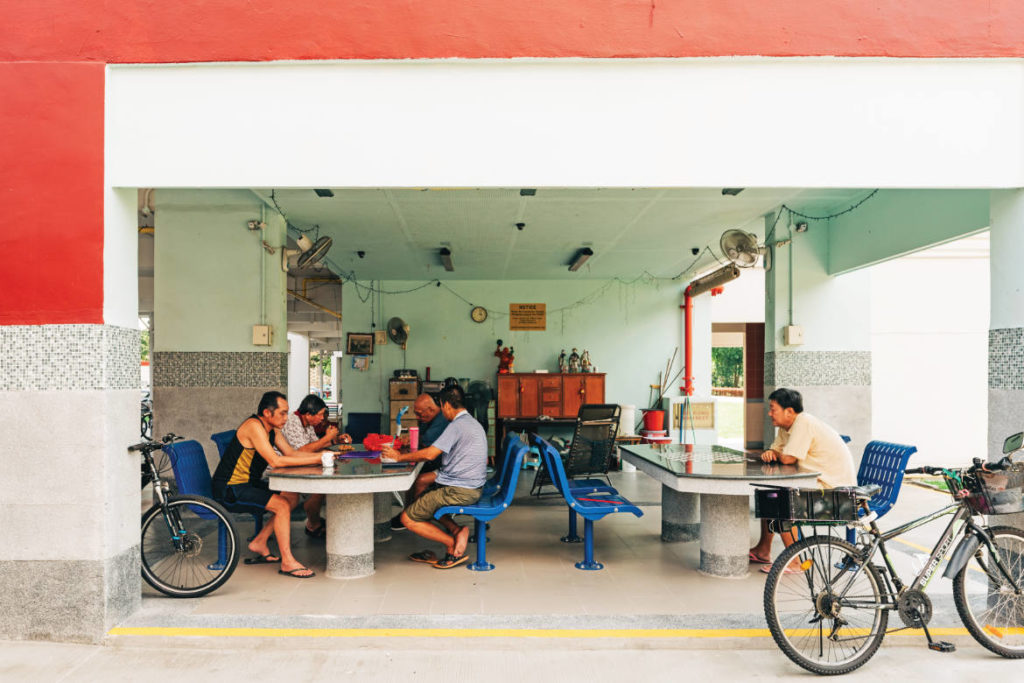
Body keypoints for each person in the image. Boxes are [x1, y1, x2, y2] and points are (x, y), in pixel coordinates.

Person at [212, 391, 327, 579]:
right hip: (230, 489)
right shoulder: (254, 427)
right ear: (267, 413)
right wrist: (320, 458)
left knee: (290, 495)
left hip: (248, 485)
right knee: (281, 505)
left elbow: (290, 453)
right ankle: (288, 561)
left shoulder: (272, 429)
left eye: (287, 412)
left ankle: (260, 541)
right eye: (282, 413)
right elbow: (276, 461)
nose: (286, 417)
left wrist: (321, 457)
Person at [749, 388, 857, 571]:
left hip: (836, 493)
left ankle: (795, 561)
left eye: (773, 409)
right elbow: (777, 451)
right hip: (819, 484)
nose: (769, 413)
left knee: (782, 501)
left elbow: (788, 458)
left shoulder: (803, 422)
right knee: (769, 494)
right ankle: (763, 550)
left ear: (789, 411)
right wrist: (773, 452)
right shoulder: (786, 427)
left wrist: (778, 454)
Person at [382, 387, 487, 569]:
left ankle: (450, 544)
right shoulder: (471, 422)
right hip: (470, 486)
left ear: (445, 405)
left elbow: (430, 454)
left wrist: (398, 457)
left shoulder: (456, 426)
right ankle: (457, 530)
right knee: (422, 499)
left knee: (408, 519)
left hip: (460, 490)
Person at [280, 393, 352, 539]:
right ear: (308, 414)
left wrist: (336, 440)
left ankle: (314, 522)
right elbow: (300, 452)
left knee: (325, 482)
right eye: (319, 415)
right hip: (284, 468)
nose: (321, 418)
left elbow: (314, 446)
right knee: (321, 485)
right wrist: (327, 438)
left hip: (299, 465)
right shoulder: (292, 422)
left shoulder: (308, 424)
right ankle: (313, 523)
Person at [390, 392, 450, 531]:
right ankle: (409, 511)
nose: (417, 417)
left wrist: (400, 457)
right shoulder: (428, 420)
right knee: (411, 473)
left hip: (445, 465)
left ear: (431, 409)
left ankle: (415, 516)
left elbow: (428, 449)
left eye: (419, 413)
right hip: (439, 462)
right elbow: (421, 439)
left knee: (418, 478)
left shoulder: (442, 420)